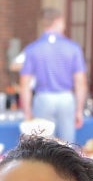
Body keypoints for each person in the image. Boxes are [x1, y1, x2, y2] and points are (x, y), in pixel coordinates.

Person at [19, 8, 88, 143]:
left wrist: (27, 111)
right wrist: (79, 109)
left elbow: (24, 84)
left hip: (43, 98)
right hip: (66, 98)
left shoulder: (32, 49)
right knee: (67, 146)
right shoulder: (73, 48)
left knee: (43, 146)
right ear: (58, 21)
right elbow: (80, 82)